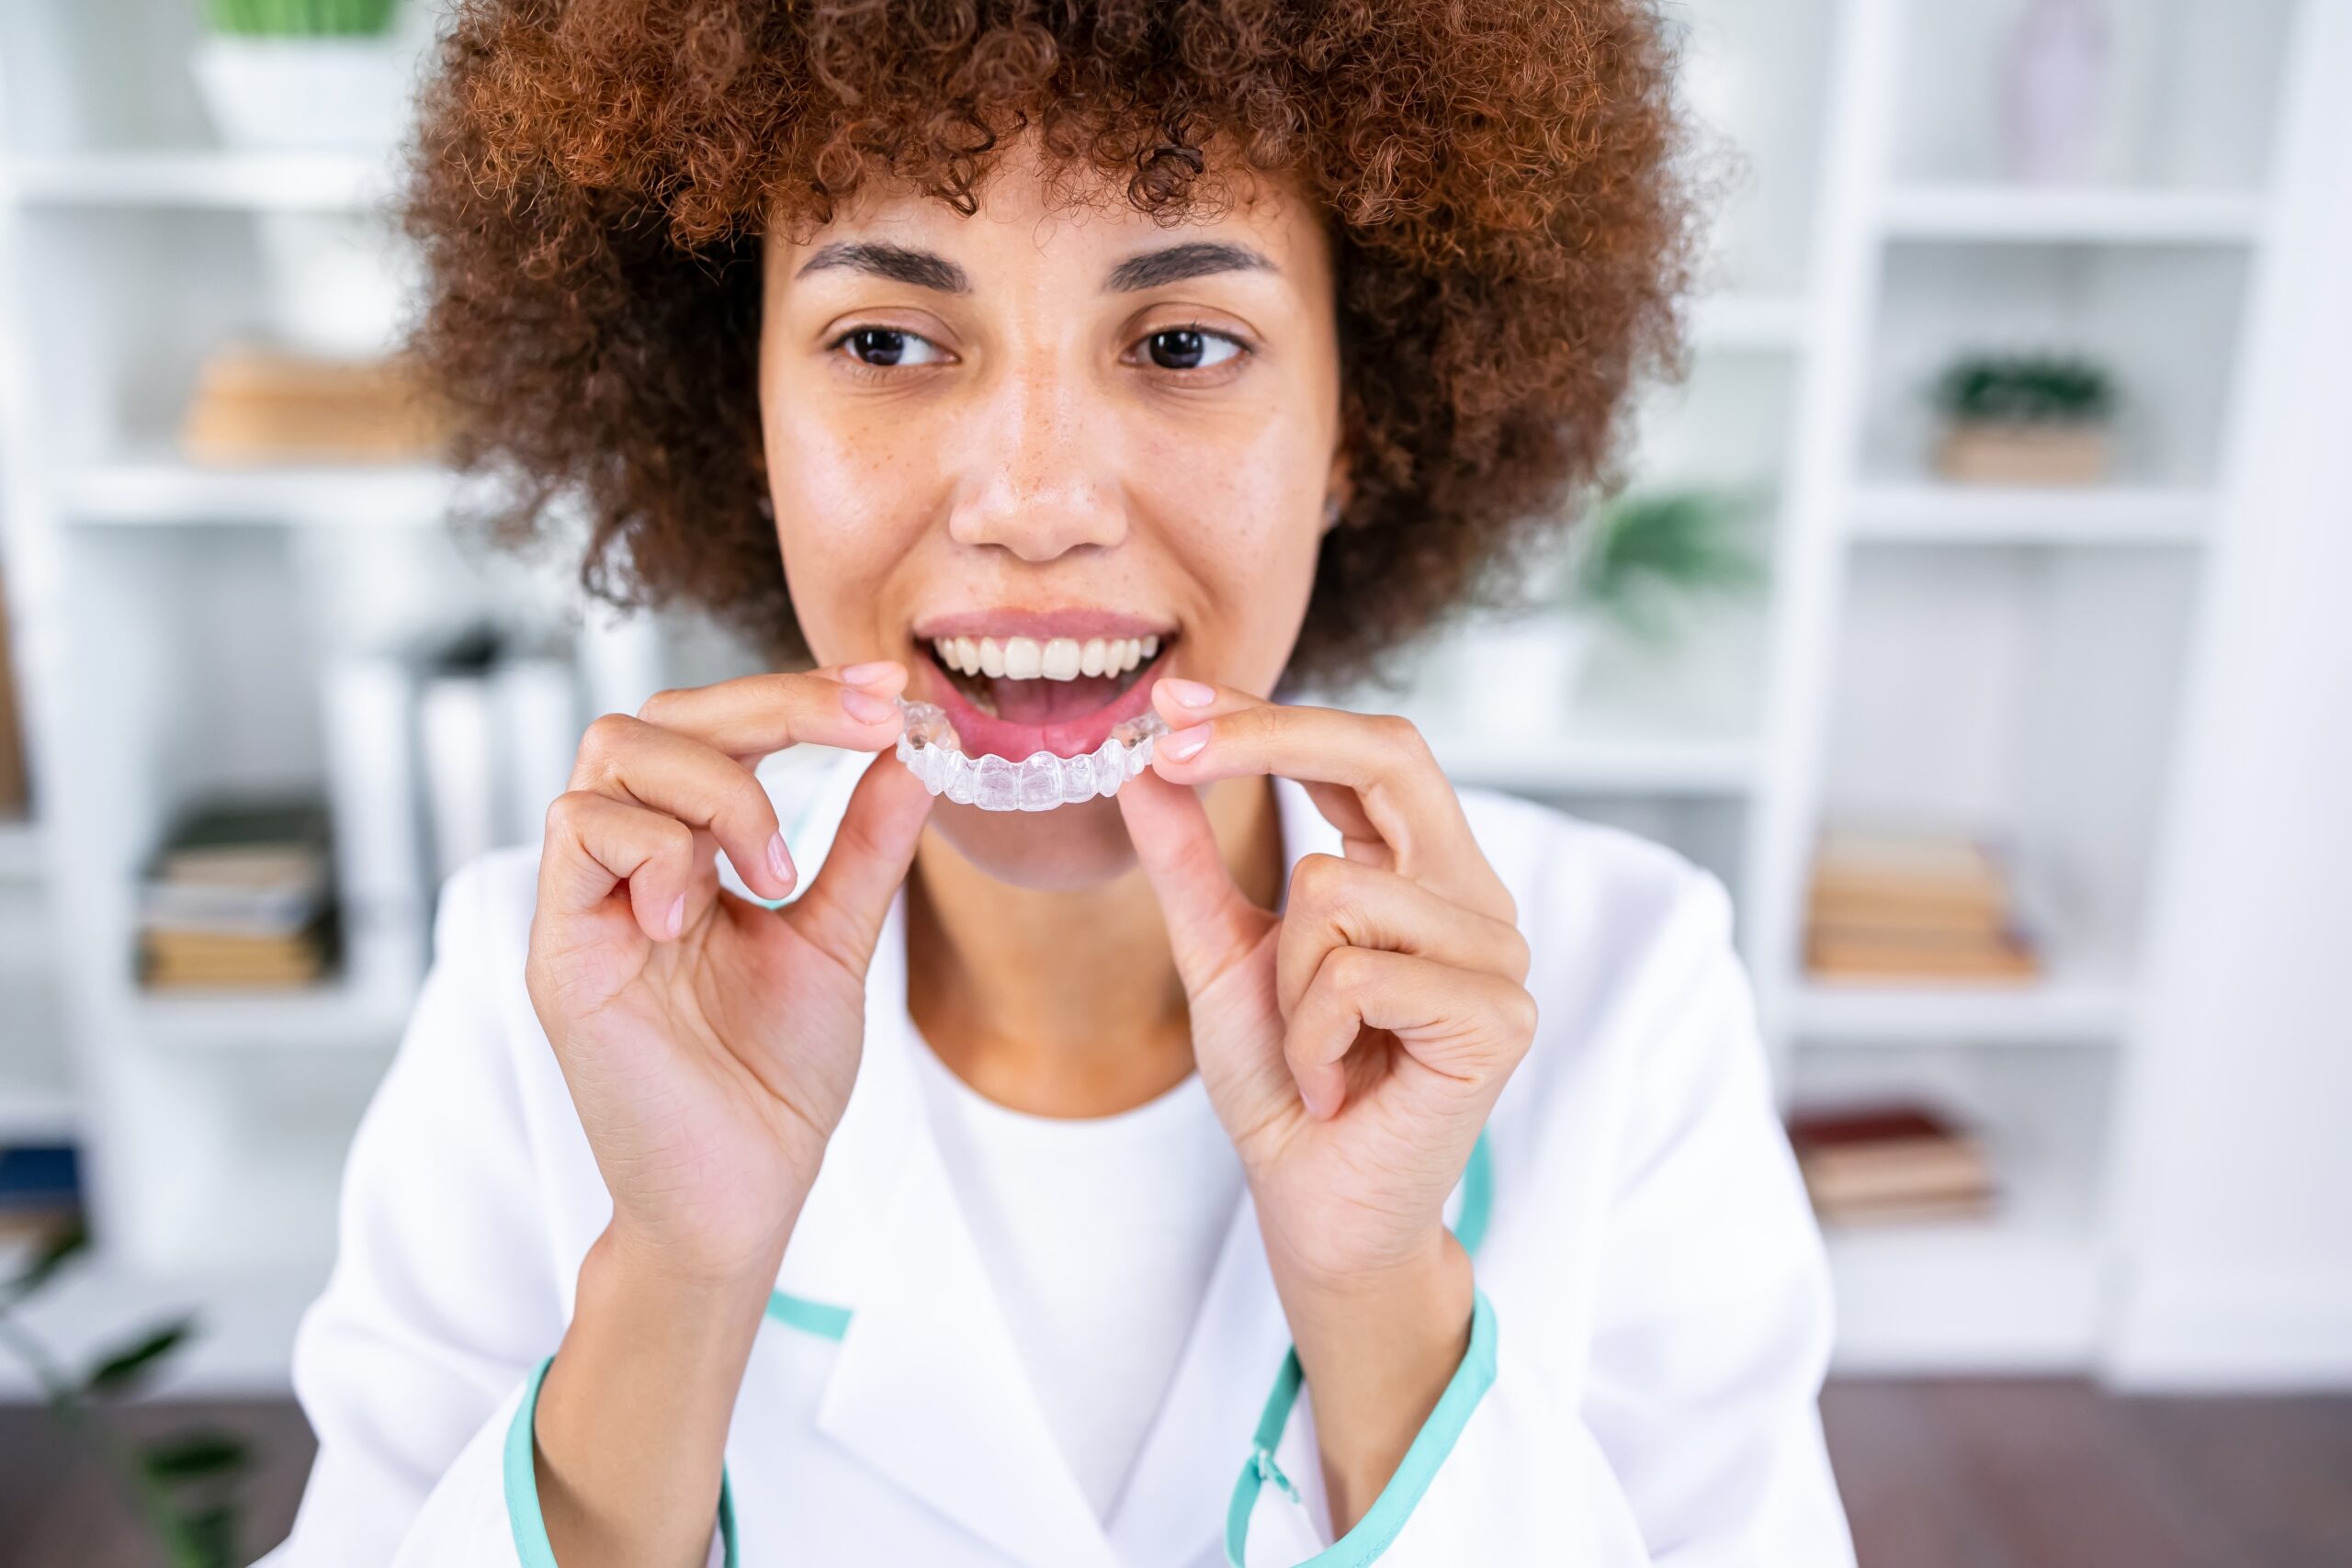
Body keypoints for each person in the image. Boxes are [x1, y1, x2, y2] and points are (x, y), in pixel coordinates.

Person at [264, 2, 1854, 1564]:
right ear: (740, 407)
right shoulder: (545, 987)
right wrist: (675, 1275)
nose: (1033, 502)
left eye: (1183, 343)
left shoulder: (1626, 982)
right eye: (883, 340)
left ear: (1352, 424)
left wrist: (1383, 1303)